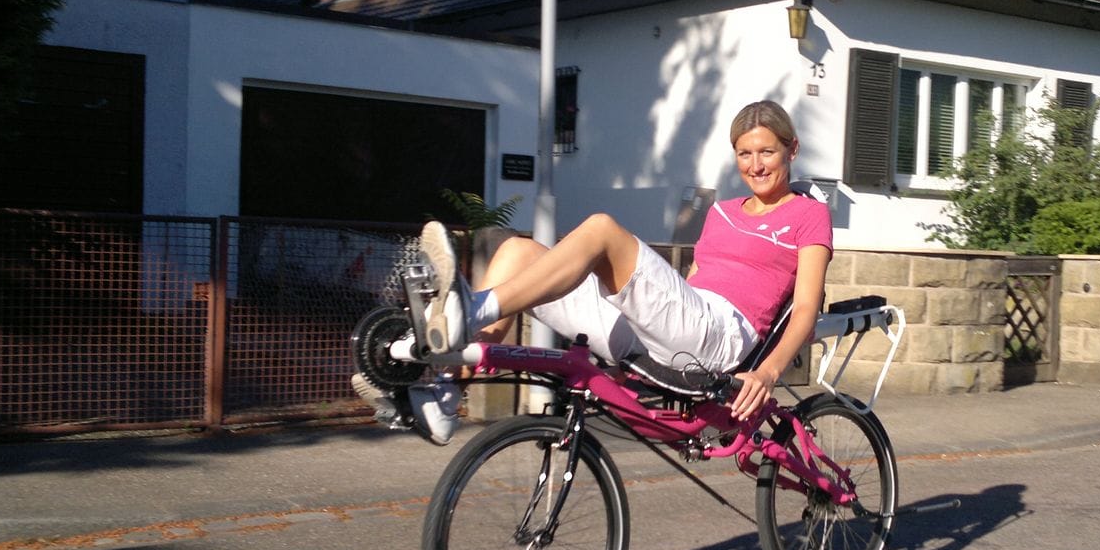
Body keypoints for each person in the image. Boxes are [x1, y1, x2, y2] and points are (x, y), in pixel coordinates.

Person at [354, 99, 832, 444]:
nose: (755, 165)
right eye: (745, 154)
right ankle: (445, 392)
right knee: (517, 252)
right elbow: (694, 281)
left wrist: (767, 372)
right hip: (678, 326)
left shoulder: (809, 214)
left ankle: (471, 310)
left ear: (791, 149)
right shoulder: (722, 212)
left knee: (603, 230)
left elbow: (806, 307)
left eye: (767, 152)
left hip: (721, 337)